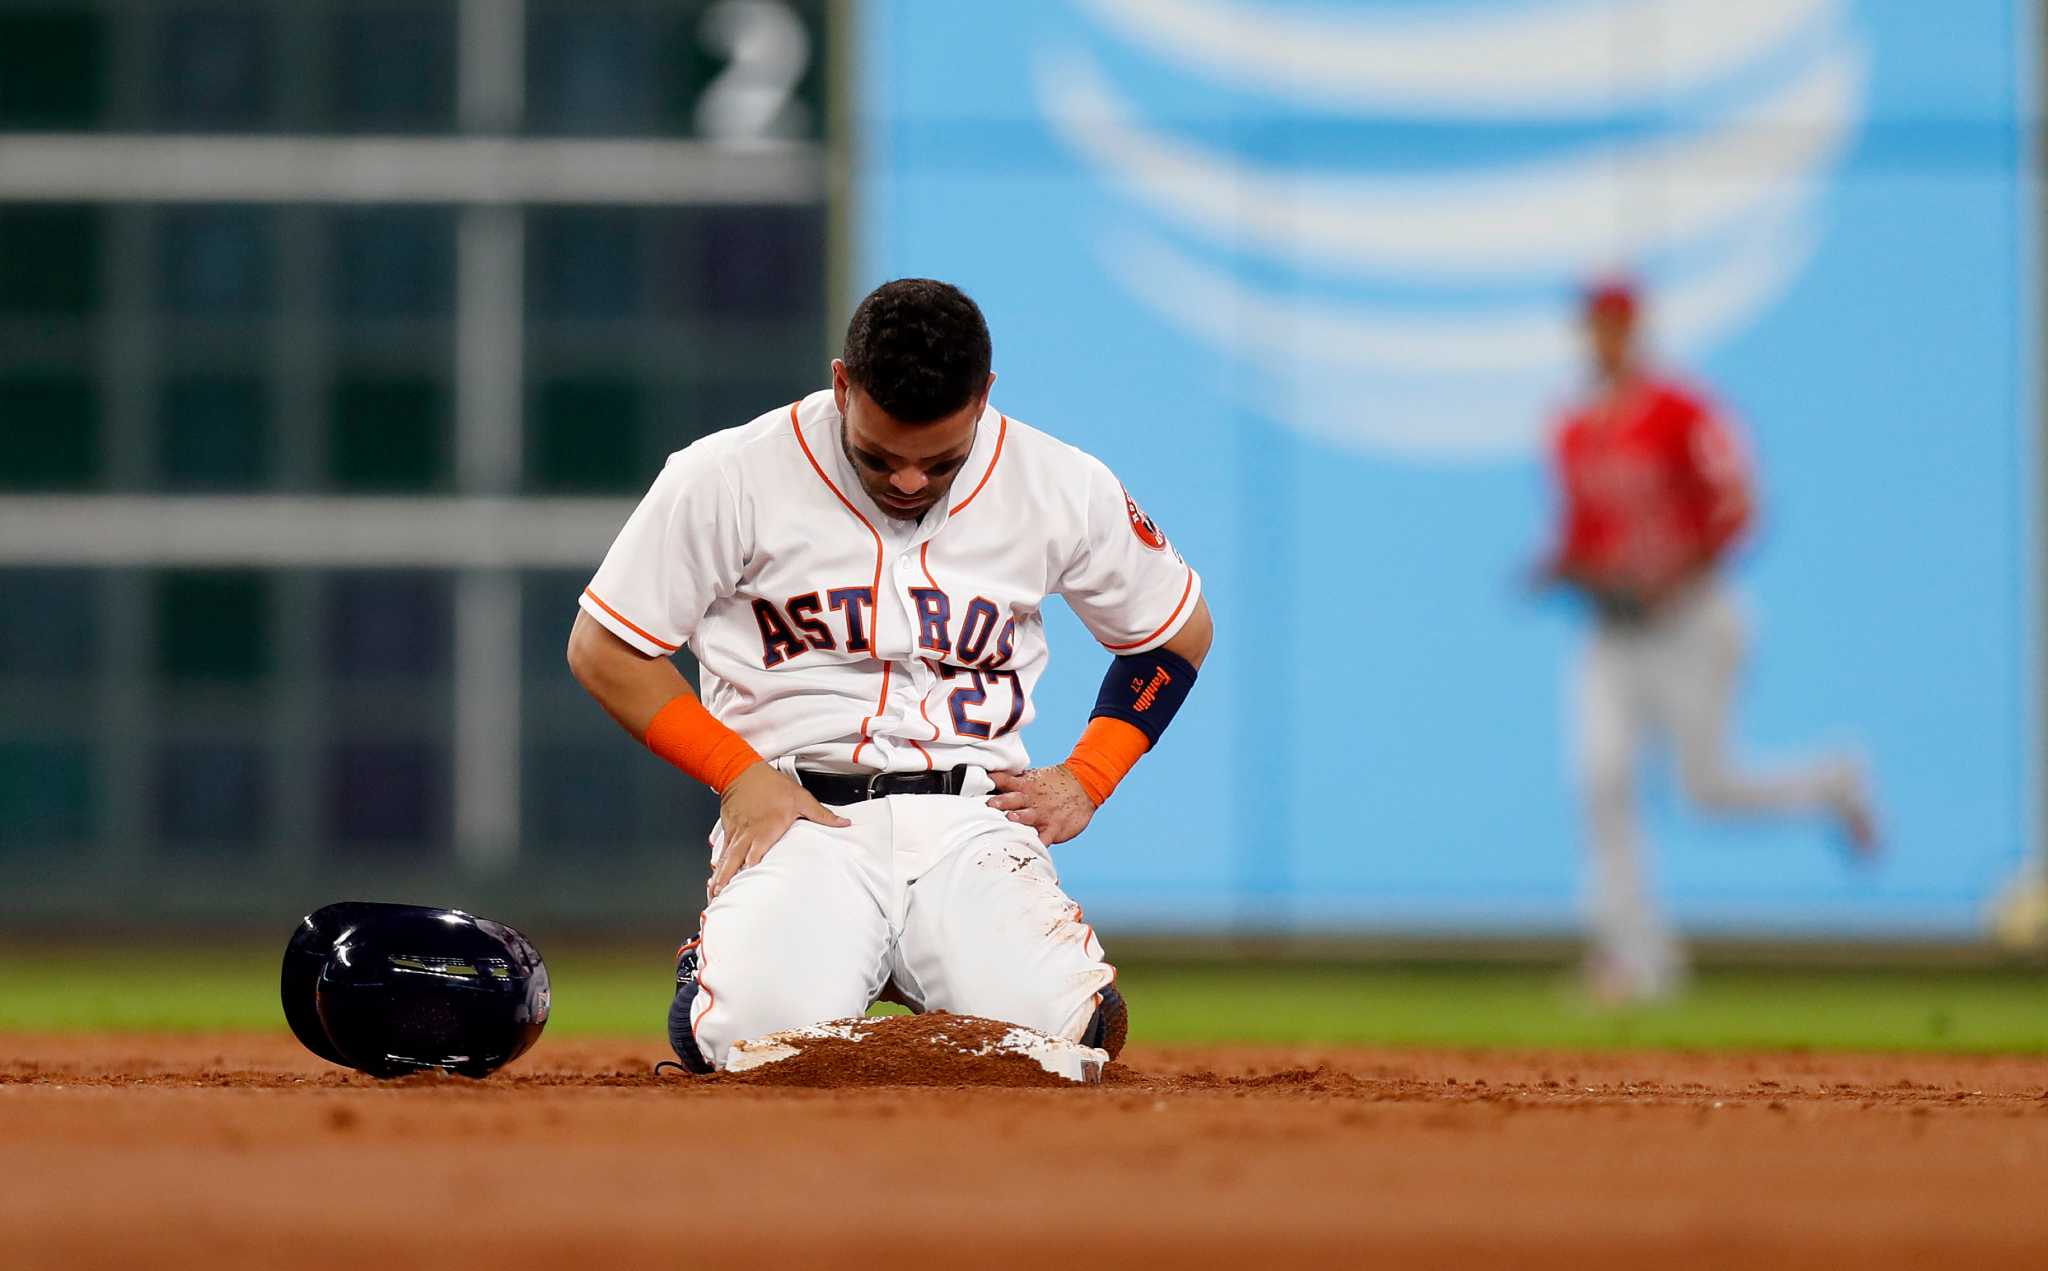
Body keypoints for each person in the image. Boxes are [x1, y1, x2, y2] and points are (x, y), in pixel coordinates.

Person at [567, 278, 1212, 1069]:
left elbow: (1173, 635)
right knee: (755, 1043)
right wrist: (736, 774)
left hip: (973, 822)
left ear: (983, 399)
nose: (908, 480)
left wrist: (1089, 775)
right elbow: (604, 646)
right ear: (843, 385)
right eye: (879, 455)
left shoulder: (1058, 482)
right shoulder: (730, 474)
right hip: (800, 814)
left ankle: (939, 962)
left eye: (938, 462)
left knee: (1059, 1041)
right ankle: (737, 959)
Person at [1536, 279, 1877, 1003]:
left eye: (1615, 324)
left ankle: (1832, 781)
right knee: (1600, 780)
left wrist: (1674, 571)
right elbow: (1583, 533)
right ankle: (1636, 956)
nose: (1603, 338)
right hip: (1613, 630)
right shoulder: (1570, 424)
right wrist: (1560, 565)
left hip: (1692, 619)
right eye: (1594, 325)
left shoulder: (1683, 411)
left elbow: (1739, 505)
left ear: (1636, 330)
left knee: (1708, 789)